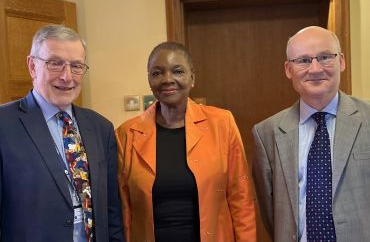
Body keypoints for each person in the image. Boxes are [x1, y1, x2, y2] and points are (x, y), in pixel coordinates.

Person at [115, 42, 256, 242]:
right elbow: (124, 210)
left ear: (192, 77)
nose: (167, 79)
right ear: (149, 79)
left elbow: (241, 200)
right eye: (157, 73)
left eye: (178, 71)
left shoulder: (222, 124)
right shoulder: (126, 134)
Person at [0, 25, 124, 241]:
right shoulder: (4, 124)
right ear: (32, 66)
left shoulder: (100, 127)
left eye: (76, 66)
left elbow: (111, 209)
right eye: (55, 64)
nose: (67, 77)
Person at [252, 26, 370, 242]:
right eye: (303, 60)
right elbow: (270, 213)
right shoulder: (266, 133)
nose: (315, 69)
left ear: (341, 61)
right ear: (288, 69)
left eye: (325, 57)